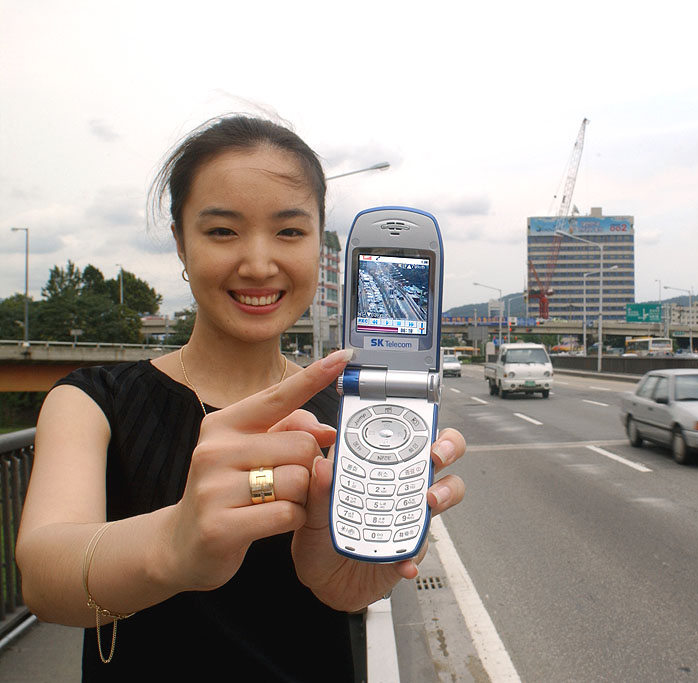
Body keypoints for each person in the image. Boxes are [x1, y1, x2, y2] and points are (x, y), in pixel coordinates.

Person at [15, 115, 467, 681]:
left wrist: (346, 588)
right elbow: (41, 578)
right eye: (223, 231)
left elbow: (339, 602)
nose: (258, 264)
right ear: (181, 242)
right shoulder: (92, 401)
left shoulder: (345, 415)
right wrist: (173, 543)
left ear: (321, 245)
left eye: (289, 232)